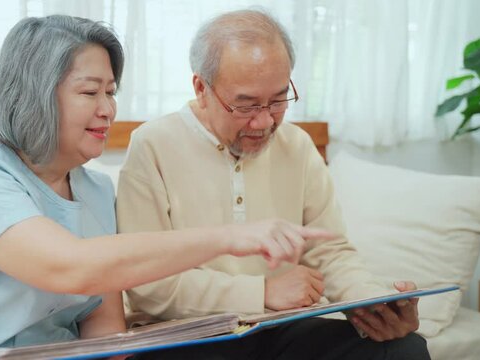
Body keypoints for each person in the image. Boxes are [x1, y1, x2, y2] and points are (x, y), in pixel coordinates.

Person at [0, 15, 332, 360]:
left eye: (111, 92)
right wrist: (233, 237)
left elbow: (104, 330)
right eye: (89, 93)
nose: (108, 110)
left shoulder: (95, 191)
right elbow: (72, 268)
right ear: (34, 94)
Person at [117, 8, 431, 360]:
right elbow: (146, 284)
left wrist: (373, 303)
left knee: (403, 349)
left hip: (280, 328)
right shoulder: (152, 145)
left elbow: (329, 251)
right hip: (187, 335)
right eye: (246, 105)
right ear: (201, 88)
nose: (264, 121)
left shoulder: (296, 145)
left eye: (279, 99)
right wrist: (261, 292)